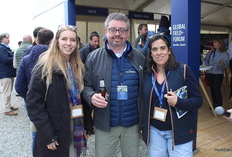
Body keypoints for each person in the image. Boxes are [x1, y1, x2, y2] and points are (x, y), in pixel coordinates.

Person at [82, 12, 146, 157]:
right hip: (105, 125)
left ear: (128, 33)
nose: (117, 34)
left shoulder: (140, 57)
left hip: (132, 125)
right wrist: (91, 96)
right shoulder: (93, 57)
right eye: (113, 30)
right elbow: (85, 86)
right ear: (106, 31)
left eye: (122, 30)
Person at [26, 25, 93, 157]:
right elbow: (34, 104)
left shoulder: (78, 67)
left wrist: (87, 125)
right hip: (55, 131)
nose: (69, 43)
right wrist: (48, 135)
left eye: (73, 40)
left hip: (75, 128)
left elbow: (82, 99)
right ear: (57, 41)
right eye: (64, 39)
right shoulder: (44, 67)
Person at [142, 34, 202, 157]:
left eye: (162, 48)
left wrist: (179, 102)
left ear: (169, 51)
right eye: (154, 49)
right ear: (151, 54)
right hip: (155, 132)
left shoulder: (183, 70)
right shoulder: (146, 74)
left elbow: (198, 100)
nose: (159, 52)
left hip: (179, 132)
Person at [204, 38, 229, 108]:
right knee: (212, 89)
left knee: (216, 89)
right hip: (210, 72)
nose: (214, 44)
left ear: (220, 44)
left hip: (218, 73)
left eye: (215, 42)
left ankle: (219, 105)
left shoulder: (224, 54)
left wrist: (223, 63)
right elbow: (205, 59)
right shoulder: (211, 52)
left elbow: (226, 63)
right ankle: (214, 104)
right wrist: (206, 65)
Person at [0, 33, 17, 116]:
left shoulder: (5, 47)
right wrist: (15, 57)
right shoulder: (1, 48)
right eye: (7, 38)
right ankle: (6, 109)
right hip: (5, 73)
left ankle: (9, 106)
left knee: (9, 91)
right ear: (2, 39)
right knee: (6, 92)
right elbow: (5, 60)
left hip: (8, 73)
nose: (8, 39)